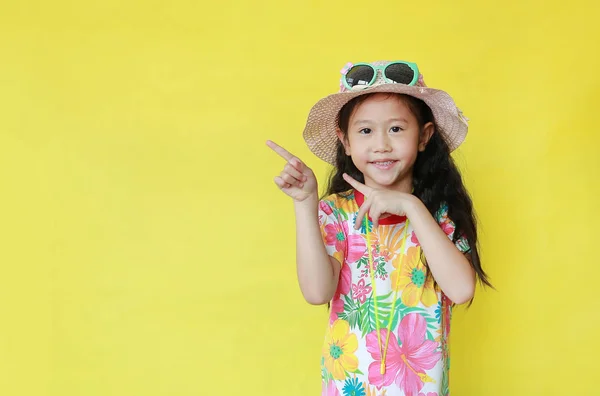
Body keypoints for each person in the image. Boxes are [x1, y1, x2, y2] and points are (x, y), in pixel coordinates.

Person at [267, 60, 491, 396]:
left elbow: (461, 290)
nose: (382, 144)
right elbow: (316, 292)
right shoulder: (336, 213)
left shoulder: (439, 214)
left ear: (424, 136)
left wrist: (413, 208)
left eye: (397, 129)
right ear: (346, 142)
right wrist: (305, 203)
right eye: (366, 130)